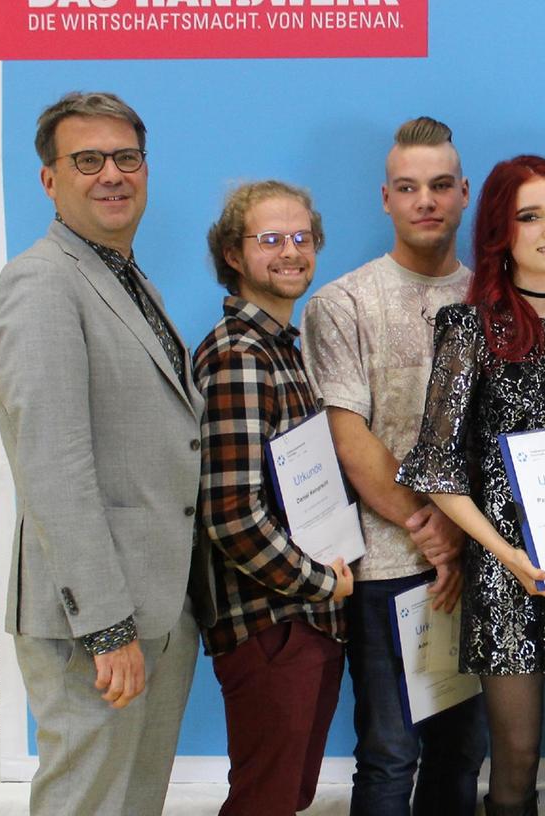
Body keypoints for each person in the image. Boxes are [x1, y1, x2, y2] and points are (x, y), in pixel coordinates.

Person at [396, 154, 545, 816]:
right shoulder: (468, 329)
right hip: (509, 577)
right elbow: (436, 467)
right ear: (502, 233)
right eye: (529, 216)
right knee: (513, 760)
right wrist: (507, 557)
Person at [0, 91, 202, 816]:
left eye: (126, 158)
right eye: (87, 160)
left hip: (155, 609)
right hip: (96, 627)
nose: (112, 174)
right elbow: (53, 470)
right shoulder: (42, 283)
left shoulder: (122, 276)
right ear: (50, 180)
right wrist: (108, 628)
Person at [302, 115, 489, 816]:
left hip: (476, 566)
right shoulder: (343, 303)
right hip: (386, 569)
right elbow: (350, 439)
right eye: (408, 188)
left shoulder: (492, 303)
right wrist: (426, 527)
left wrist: (460, 541)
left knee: (462, 755)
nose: (425, 201)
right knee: (389, 755)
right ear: (385, 199)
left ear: (464, 191)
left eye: (440, 185)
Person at [195, 180, 353, 816]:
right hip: (270, 624)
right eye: (270, 239)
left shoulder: (283, 350)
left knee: (286, 796)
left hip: (306, 619)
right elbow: (231, 515)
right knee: (265, 801)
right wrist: (322, 584)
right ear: (234, 254)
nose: (291, 252)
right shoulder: (239, 358)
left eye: (301, 238)